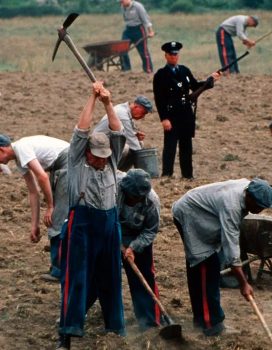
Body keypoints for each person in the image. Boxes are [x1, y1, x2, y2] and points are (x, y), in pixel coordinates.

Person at [57, 82, 126, 350]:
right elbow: (80, 131)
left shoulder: (111, 160)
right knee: (77, 279)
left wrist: (108, 102)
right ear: (87, 152)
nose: (101, 160)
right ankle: (68, 332)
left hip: (109, 224)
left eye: (104, 156)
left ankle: (115, 326)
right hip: (82, 226)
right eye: (97, 156)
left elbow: (118, 131)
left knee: (110, 277)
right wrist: (92, 97)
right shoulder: (76, 161)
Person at [172, 178, 272, 336]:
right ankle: (210, 324)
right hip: (191, 214)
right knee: (207, 268)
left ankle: (202, 320)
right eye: (258, 206)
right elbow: (231, 245)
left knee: (202, 269)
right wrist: (243, 283)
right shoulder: (231, 205)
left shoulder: (249, 189)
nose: (259, 211)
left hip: (203, 214)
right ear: (249, 197)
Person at [0, 134, 69, 282]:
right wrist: (34, 226)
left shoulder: (22, 148)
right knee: (60, 217)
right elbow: (33, 192)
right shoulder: (19, 158)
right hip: (61, 165)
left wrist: (51, 206)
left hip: (68, 162)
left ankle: (59, 270)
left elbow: (42, 177)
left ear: (1, 150)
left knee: (57, 218)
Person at [153, 41, 221, 179]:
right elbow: (159, 99)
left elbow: (195, 86)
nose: (174, 57)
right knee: (170, 146)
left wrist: (210, 81)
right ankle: (167, 174)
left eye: (176, 54)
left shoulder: (184, 71)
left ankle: (187, 175)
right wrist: (164, 118)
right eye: (171, 55)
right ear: (166, 56)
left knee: (186, 146)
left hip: (185, 113)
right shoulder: (161, 75)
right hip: (171, 115)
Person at [117, 169, 162, 330]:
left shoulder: (151, 201)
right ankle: (112, 318)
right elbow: (107, 216)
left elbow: (150, 230)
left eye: (139, 197)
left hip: (140, 235)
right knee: (105, 274)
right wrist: (118, 241)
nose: (136, 200)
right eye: (133, 197)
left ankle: (149, 319)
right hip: (114, 230)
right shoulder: (114, 190)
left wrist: (133, 248)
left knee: (143, 276)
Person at [94, 95, 153, 171]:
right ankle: (112, 172)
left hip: (107, 142)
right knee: (126, 148)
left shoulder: (125, 110)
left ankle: (119, 173)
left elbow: (130, 135)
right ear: (136, 107)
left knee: (139, 144)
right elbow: (134, 144)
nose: (143, 116)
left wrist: (136, 136)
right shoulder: (123, 115)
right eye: (143, 113)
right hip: (98, 144)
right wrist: (145, 166)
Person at [119, 0, 154, 73]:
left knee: (143, 52)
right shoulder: (123, 7)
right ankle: (126, 69)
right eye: (120, 2)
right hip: (128, 29)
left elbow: (146, 20)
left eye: (123, 1)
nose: (122, 3)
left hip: (139, 29)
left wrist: (150, 31)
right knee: (122, 49)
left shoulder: (138, 6)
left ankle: (148, 70)